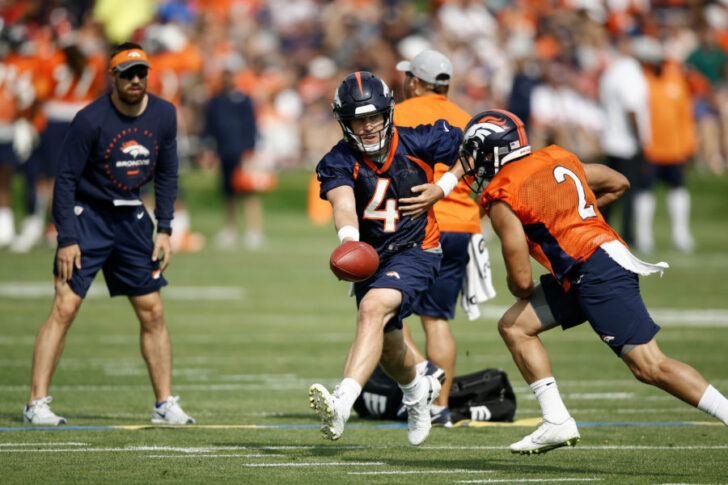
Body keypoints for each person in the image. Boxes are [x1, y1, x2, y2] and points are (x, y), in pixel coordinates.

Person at [455, 109, 728, 454]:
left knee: (649, 365)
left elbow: (522, 282)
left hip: (594, 268)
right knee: (514, 326)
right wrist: (566, 216)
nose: (472, 164)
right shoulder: (555, 157)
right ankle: (556, 420)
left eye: (474, 153)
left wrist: (548, 234)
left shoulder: (502, 194)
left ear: (492, 152)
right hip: (591, 263)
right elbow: (618, 182)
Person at [22, 42, 194, 426]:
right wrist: (66, 237)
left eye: (141, 73)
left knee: (153, 310)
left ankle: (164, 403)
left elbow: (167, 174)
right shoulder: (89, 119)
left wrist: (164, 229)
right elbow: (64, 180)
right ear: (112, 77)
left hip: (132, 220)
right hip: (87, 219)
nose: (135, 80)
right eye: (127, 74)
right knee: (65, 306)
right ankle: (36, 404)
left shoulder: (165, 115)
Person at [309, 71, 464, 446]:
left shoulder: (420, 139)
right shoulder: (339, 159)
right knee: (391, 350)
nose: (367, 126)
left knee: (372, 309)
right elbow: (343, 205)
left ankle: (343, 402)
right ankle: (416, 392)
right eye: (358, 120)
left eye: (374, 116)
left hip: (417, 249)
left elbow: (473, 151)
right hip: (372, 257)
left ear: (388, 113)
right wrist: (350, 243)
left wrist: (443, 187)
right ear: (345, 123)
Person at [393, 48, 492, 427]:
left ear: (416, 82)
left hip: (417, 225)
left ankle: (422, 380)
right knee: (436, 321)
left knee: (383, 309)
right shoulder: (469, 121)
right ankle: (439, 409)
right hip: (462, 226)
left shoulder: (399, 115)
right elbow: (485, 186)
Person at [633, 37, 696, 254]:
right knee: (645, 191)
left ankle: (681, 235)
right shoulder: (642, 81)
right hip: (650, 148)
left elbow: (685, 116)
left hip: (675, 148)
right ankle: (644, 237)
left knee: (678, 189)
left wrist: (688, 145)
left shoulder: (676, 79)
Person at [598, 35, 650, 247]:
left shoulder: (612, 70)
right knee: (628, 191)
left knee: (606, 192)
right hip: (627, 142)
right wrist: (641, 140)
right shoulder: (631, 72)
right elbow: (632, 109)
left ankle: (602, 232)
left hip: (610, 138)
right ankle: (628, 235)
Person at [199, 66, 258, 249]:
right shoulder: (215, 102)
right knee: (228, 194)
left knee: (248, 192)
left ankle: (253, 230)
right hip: (224, 152)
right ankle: (230, 229)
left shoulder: (244, 100)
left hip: (243, 153)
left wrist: (250, 151)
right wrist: (207, 150)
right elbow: (209, 128)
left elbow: (251, 127)